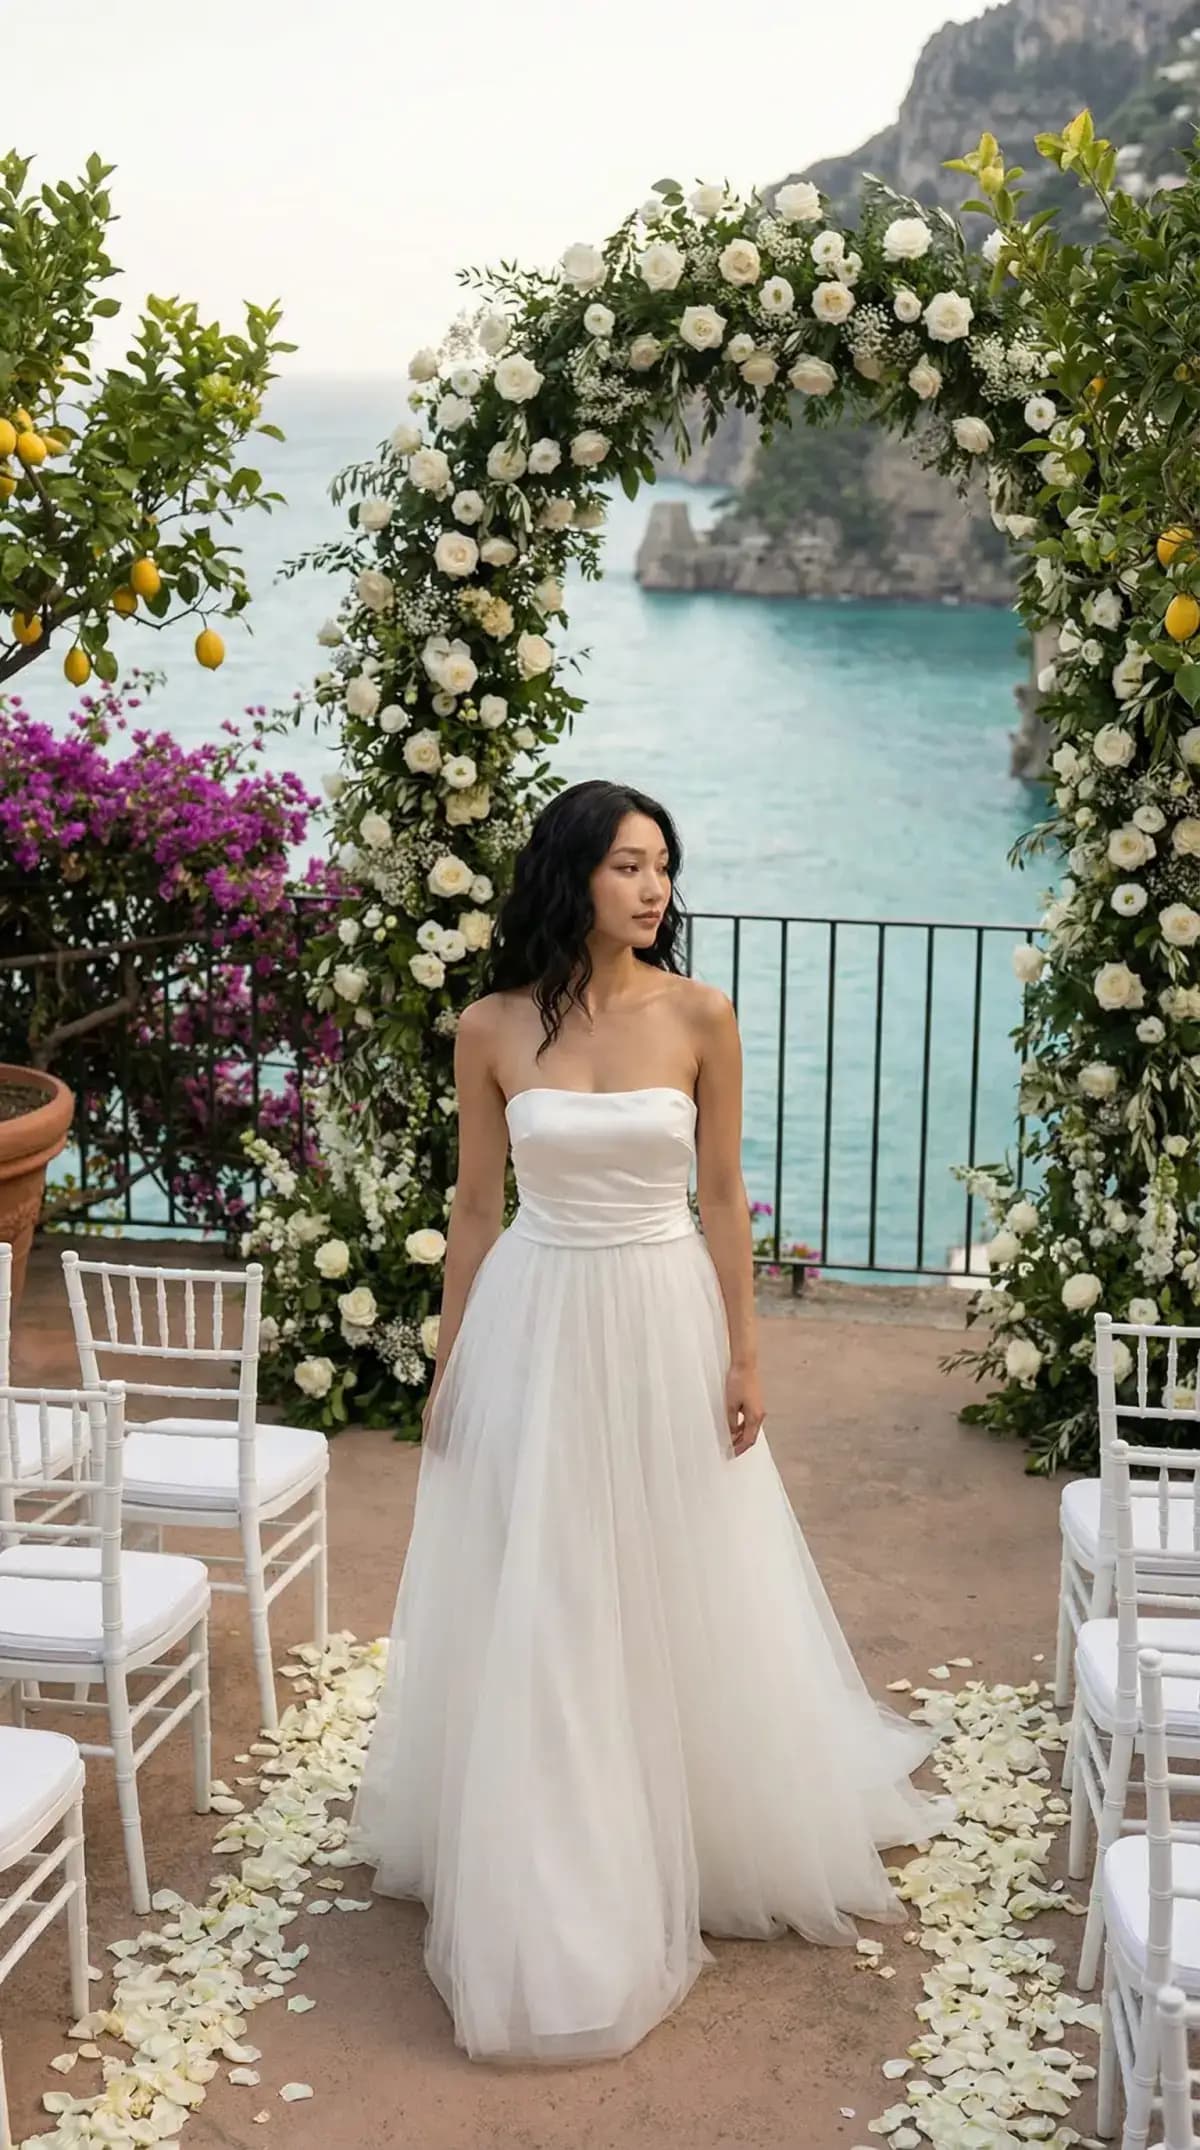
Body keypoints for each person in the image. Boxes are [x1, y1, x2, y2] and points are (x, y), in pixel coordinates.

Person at [347, 777, 954, 2065]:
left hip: (662, 1314)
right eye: (628, 864)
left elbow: (723, 1196)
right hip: (537, 1319)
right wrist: (450, 1369)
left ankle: (694, 1811)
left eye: (663, 865)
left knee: (677, 1560)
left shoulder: (700, 1014)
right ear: (572, 875)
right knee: (550, 1577)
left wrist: (745, 1352)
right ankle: (557, 1842)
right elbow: (475, 1212)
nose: (654, 886)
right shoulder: (490, 1027)